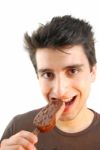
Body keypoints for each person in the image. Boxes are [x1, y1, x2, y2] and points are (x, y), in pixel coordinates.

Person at [0, 15, 99, 150]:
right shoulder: (17, 128)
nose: (59, 91)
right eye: (47, 74)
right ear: (37, 77)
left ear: (92, 71)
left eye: (73, 70)